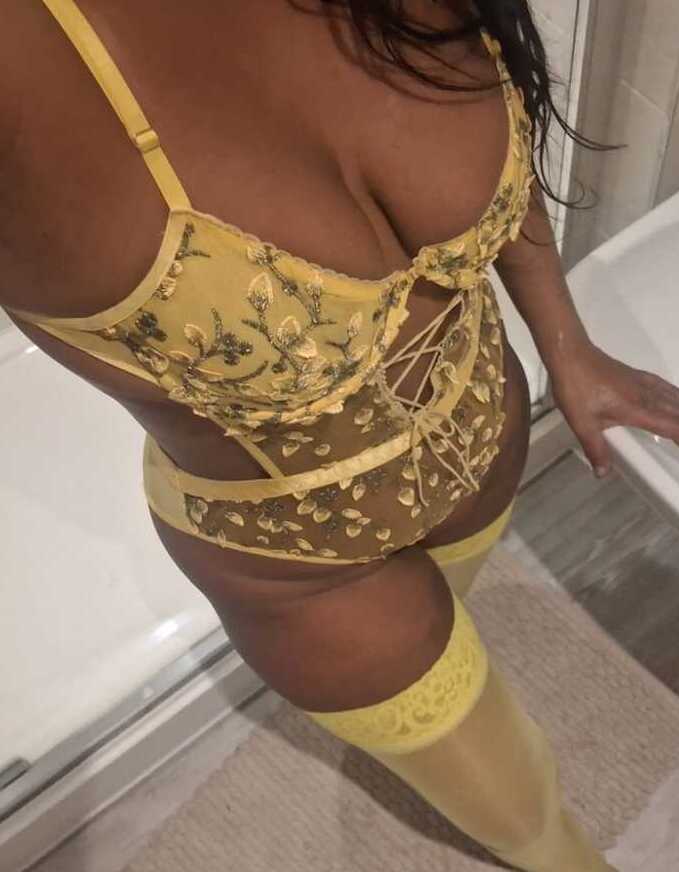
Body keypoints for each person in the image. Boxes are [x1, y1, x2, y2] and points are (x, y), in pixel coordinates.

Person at [2, 1, 678, 868]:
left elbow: (497, 150)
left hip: (488, 422)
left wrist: (567, 344)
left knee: (459, 638)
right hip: (300, 563)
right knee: (526, 813)